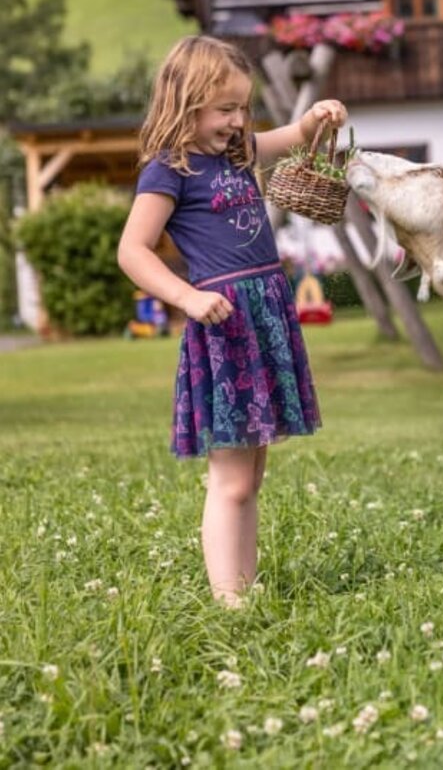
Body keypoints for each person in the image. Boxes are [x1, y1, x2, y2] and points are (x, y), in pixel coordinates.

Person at [117, 35, 348, 607]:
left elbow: (290, 138)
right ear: (185, 104)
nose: (239, 120)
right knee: (233, 479)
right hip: (224, 325)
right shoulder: (168, 170)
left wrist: (316, 117)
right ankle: (229, 601)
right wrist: (187, 297)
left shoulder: (237, 150)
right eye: (226, 109)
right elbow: (133, 251)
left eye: (243, 107)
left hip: (263, 315)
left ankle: (242, 587)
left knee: (252, 477)